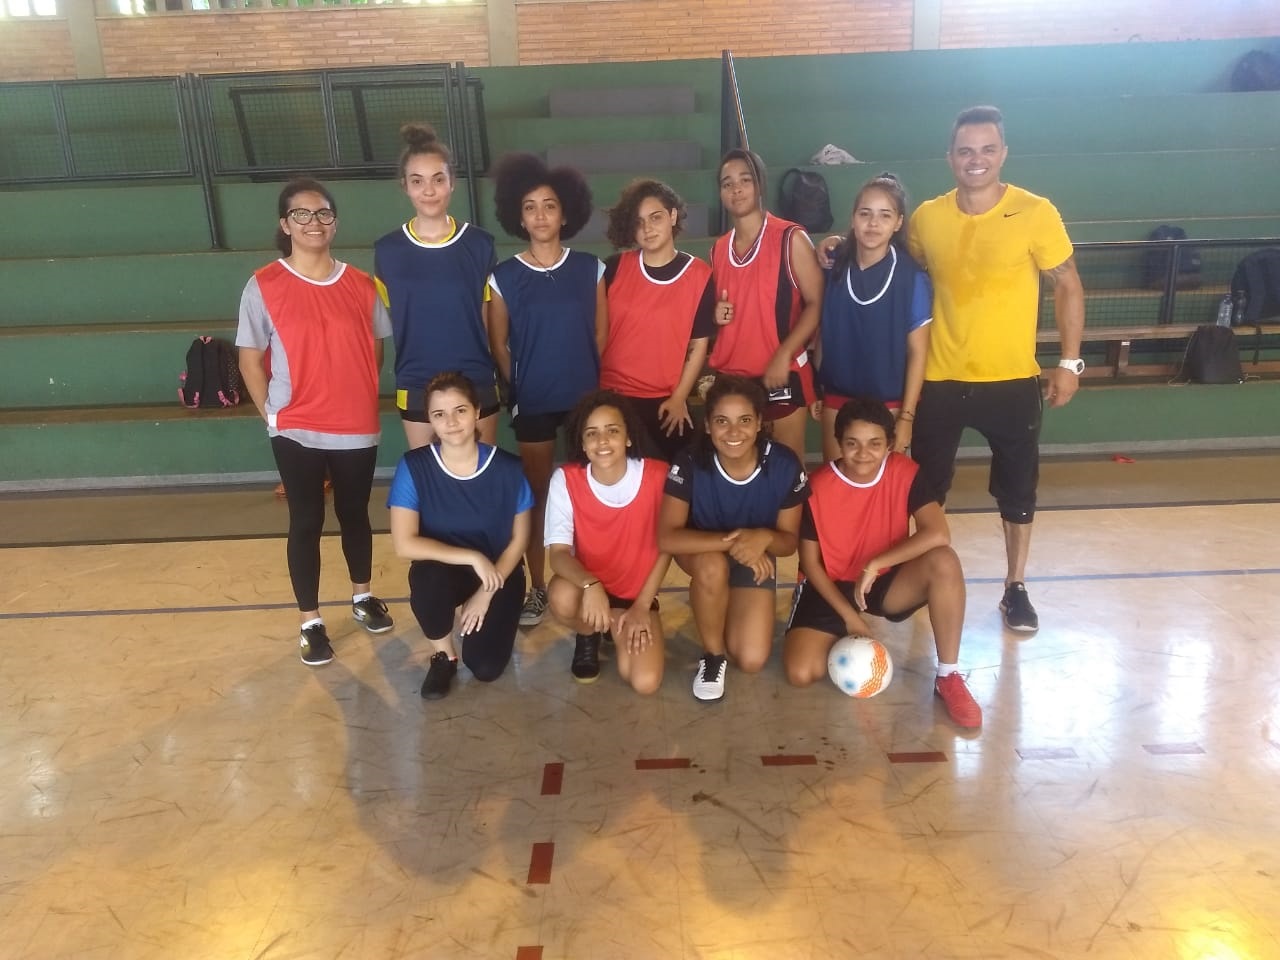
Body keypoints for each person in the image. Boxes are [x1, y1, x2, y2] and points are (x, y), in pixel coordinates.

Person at [820, 105, 1085, 633]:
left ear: (1003, 154)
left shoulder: (1035, 211)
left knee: (1017, 488)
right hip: (939, 380)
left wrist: (1069, 362)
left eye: (987, 149)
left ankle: (1015, 586)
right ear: (950, 157)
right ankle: (913, 580)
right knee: (924, 490)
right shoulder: (927, 219)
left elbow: (1068, 283)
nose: (976, 160)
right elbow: (887, 253)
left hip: (1011, 378)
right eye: (966, 150)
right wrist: (836, 245)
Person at [236, 177, 395, 666]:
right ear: (285, 225)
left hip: (354, 424)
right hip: (296, 427)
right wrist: (272, 414)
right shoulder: (264, 283)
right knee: (305, 520)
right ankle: (310, 621)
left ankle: (362, 596)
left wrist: (359, 394)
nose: (313, 222)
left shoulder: (363, 284)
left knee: (355, 515)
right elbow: (248, 357)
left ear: (335, 222)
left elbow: (376, 347)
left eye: (323, 213)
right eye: (301, 214)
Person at [783, 398, 982, 728]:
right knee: (801, 673)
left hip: (884, 580)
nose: (863, 454)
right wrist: (849, 619)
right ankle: (836, 631)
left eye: (875, 444)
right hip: (830, 583)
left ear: (890, 444)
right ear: (838, 443)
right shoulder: (815, 486)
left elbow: (937, 532)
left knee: (943, 561)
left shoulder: (905, 472)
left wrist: (875, 564)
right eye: (852, 444)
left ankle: (948, 675)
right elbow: (810, 563)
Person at [487, 152, 608, 629]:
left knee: (587, 494)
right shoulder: (504, 276)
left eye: (550, 205)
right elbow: (499, 343)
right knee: (537, 495)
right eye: (531, 206)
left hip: (583, 400)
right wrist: (525, 381)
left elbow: (600, 335)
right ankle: (538, 586)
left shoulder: (590, 269)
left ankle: (592, 578)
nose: (540, 215)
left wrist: (580, 374)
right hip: (534, 399)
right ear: (519, 216)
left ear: (566, 213)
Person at [658, 375, 809, 702]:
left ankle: (717, 606)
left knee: (752, 659)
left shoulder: (783, 464)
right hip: (705, 551)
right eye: (722, 422)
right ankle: (712, 656)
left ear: (758, 424)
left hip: (755, 557)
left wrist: (765, 536)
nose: (734, 432)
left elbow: (787, 544)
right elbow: (668, 538)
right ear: (708, 426)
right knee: (713, 568)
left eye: (744, 420)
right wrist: (740, 543)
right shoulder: (690, 461)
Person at [386, 372, 533, 700]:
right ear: (430, 421)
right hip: (444, 571)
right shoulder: (414, 466)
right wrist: (471, 557)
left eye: (460, 410)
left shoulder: (509, 469)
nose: (451, 422)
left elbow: (518, 541)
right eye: (440, 414)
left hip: (499, 573)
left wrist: (485, 592)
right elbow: (404, 543)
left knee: (485, 668)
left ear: (478, 412)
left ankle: (478, 614)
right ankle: (443, 655)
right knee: (425, 580)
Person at [374, 123, 499, 450]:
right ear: (405, 186)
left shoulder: (480, 244)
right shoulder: (388, 251)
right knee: (430, 482)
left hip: (476, 377)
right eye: (417, 181)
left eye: (438, 179)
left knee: (479, 476)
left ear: (452, 183)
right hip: (417, 379)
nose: (428, 190)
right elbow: (393, 320)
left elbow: (488, 320)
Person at [544, 391, 671, 692]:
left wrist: (641, 606)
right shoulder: (566, 479)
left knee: (644, 682)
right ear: (582, 442)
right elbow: (559, 554)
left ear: (628, 437)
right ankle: (588, 633)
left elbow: (668, 547)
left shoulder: (658, 475)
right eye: (592, 433)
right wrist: (591, 585)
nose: (602, 441)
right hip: (587, 589)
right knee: (561, 595)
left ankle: (617, 622)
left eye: (612, 431)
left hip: (636, 596)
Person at [709, 148, 824, 464]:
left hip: (780, 371)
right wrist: (716, 315)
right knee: (736, 468)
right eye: (727, 183)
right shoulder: (719, 249)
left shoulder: (790, 237)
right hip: (734, 377)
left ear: (759, 185)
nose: (736, 189)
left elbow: (817, 303)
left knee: (787, 468)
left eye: (745, 180)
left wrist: (784, 353)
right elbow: (726, 310)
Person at [811, 173, 932, 463]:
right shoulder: (833, 263)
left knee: (882, 494)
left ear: (898, 222)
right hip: (838, 397)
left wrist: (907, 417)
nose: (873, 223)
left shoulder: (912, 277)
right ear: (853, 218)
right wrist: (816, 387)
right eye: (865, 213)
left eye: (884, 215)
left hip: (888, 402)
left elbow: (918, 351)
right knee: (839, 486)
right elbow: (822, 333)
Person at [600, 179, 716, 462]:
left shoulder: (699, 274)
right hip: (612, 394)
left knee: (678, 481)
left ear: (673, 216)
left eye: (656, 217)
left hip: (665, 398)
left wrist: (679, 397)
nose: (648, 228)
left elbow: (698, 344)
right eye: (639, 222)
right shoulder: (614, 268)